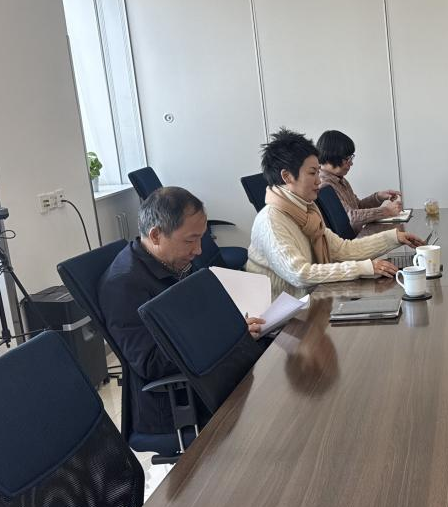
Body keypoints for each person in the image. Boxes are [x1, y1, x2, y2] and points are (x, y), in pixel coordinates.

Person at [100, 187, 262, 437]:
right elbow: (150, 363)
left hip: (212, 373)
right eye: (190, 240)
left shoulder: (176, 260)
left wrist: (233, 326)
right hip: (178, 402)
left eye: (201, 238)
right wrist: (221, 336)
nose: (198, 250)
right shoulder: (124, 285)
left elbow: (203, 314)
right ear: (156, 235)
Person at [247, 128, 424, 297]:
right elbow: (300, 274)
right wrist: (364, 268)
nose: (319, 181)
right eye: (312, 173)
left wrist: (395, 238)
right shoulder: (271, 221)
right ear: (287, 176)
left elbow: (343, 249)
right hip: (286, 312)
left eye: (318, 172)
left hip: (313, 298)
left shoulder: (307, 210)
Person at [315, 129, 403, 231]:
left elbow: (358, 206)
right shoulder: (324, 185)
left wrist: (378, 197)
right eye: (347, 159)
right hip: (349, 240)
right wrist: (386, 211)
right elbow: (350, 217)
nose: (351, 163)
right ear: (331, 157)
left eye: (351, 158)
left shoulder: (340, 179)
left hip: (357, 235)